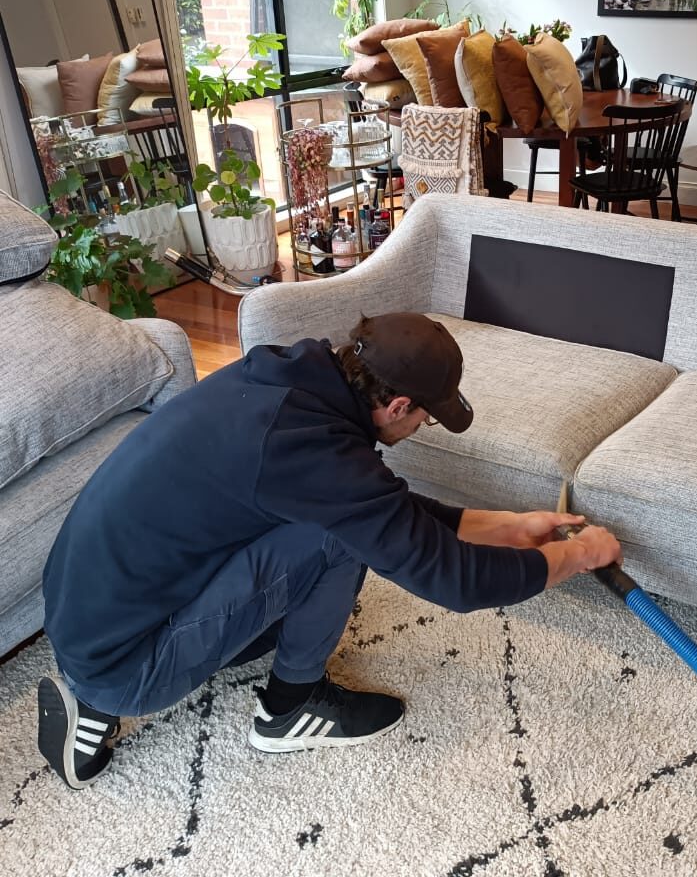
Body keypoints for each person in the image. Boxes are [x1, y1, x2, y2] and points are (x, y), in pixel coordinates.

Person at [38, 312, 621, 789]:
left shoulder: (283, 381)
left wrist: (512, 527)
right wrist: (578, 556)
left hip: (82, 614)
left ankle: (91, 692)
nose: (422, 428)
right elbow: (456, 583)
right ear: (397, 407)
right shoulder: (313, 453)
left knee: (343, 524)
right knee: (336, 540)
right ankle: (288, 711)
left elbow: (378, 507)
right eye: (425, 418)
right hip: (129, 663)